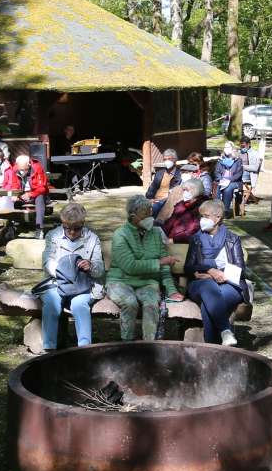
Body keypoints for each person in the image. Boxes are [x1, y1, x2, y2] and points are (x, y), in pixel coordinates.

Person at [108, 196, 182, 341]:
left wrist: (172, 290)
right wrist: (159, 262)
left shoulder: (156, 233)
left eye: (150, 212)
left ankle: (149, 345)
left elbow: (165, 267)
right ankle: (127, 342)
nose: (150, 217)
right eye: (145, 214)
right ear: (133, 216)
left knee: (151, 303)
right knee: (130, 302)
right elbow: (130, 267)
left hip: (148, 283)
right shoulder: (120, 234)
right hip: (120, 281)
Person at [39, 202, 106, 351]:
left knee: (79, 305)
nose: (71, 232)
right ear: (62, 223)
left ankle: (85, 349)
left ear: (83, 223)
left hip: (84, 285)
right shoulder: (53, 236)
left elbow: (100, 269)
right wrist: (65, 272)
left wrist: (91, 266)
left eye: (76, 228)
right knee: (51, 302)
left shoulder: (92, 239)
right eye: (67, 228)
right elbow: (47, 262)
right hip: (58, 282)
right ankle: (49, 349)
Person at [185, 200, 251, 346]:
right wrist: (209, 270)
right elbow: (188, 267)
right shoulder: (196, 239)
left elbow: (240, 270)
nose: (202, 219)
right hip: (200, 284)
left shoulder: (232, 239)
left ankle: (210, 347)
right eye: (201, 216)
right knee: (208, 288)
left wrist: (215, 275)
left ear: (218, 218)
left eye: (206, 216)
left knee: (208, 304)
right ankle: (225, 331)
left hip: (229, 283)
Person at [10, 152, 49, 230]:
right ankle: (19, 225)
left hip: (36, 194)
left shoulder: (37, 168)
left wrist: (30, 194)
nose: (22, 171)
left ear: (29, 165)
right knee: (15, 201)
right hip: (23, 193)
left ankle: (39, 227)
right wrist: (14, 194)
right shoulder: (15, 169)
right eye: (20, 169)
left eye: (24, 169)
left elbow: (42, 188)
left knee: (40, 198)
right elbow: (14, 184)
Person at [147, 148, 183, 217]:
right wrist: (150, 199)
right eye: (165, 159)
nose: (167, 161)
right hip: (155, 200)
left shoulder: (180, 174)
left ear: (175, 160)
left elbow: (175, 193)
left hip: (167, 201)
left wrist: (163, 200)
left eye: (169, 159)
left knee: (154, 208)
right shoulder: (159, 173)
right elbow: (152, 188)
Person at [213, 142, 245, 216]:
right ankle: (217, 209)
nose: (226, 149)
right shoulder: (220, 160)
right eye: (225, 147)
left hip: (235, 182)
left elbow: (239, 174)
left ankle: (225, 211)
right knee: (216, 186)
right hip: (222, 180)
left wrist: (229, 180)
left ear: (232, 149)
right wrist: (221, 179)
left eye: (228, 147)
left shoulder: (238, 160)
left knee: (228, 188)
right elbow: (216, 172)